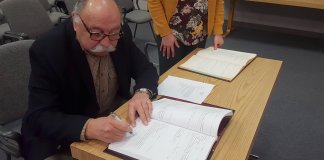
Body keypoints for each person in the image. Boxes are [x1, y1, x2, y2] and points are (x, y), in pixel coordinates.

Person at [21, 0, 159, 159]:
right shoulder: (48, 49)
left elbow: (145, 69)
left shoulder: (119, 33)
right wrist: (88, 127)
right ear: (75, 22)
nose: (107, 43)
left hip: (112, 120)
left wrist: (142, 93)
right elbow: (40, 116)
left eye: (113, 32)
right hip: (65, 136)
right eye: (96, 33)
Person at [148, 0, 225, 74]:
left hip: (199, 32)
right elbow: (153, 1)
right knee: (169, 75)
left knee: (192, 73)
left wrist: (218, 32)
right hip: (171, 32)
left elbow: (218, 2)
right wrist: (165, 33)